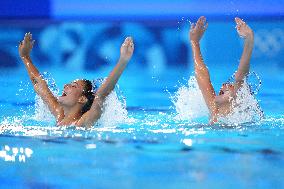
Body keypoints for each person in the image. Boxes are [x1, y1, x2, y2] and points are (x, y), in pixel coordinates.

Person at [19, 32, 134, 128]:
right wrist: (25, 57)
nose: (65, 86)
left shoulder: (84, 121)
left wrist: (122, 61)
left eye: (73, 86)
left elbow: (102, 94)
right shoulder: (59, 114)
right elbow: (40, 86)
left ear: (82, 99)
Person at [189, 16, 254, 123]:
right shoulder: (215, 111)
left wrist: (249, 39)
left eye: (231, 86)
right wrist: (194, 42)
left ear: (240, 98)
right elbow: (202, 75)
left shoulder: (238, 116)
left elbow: (241, 75)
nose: (223, 84)